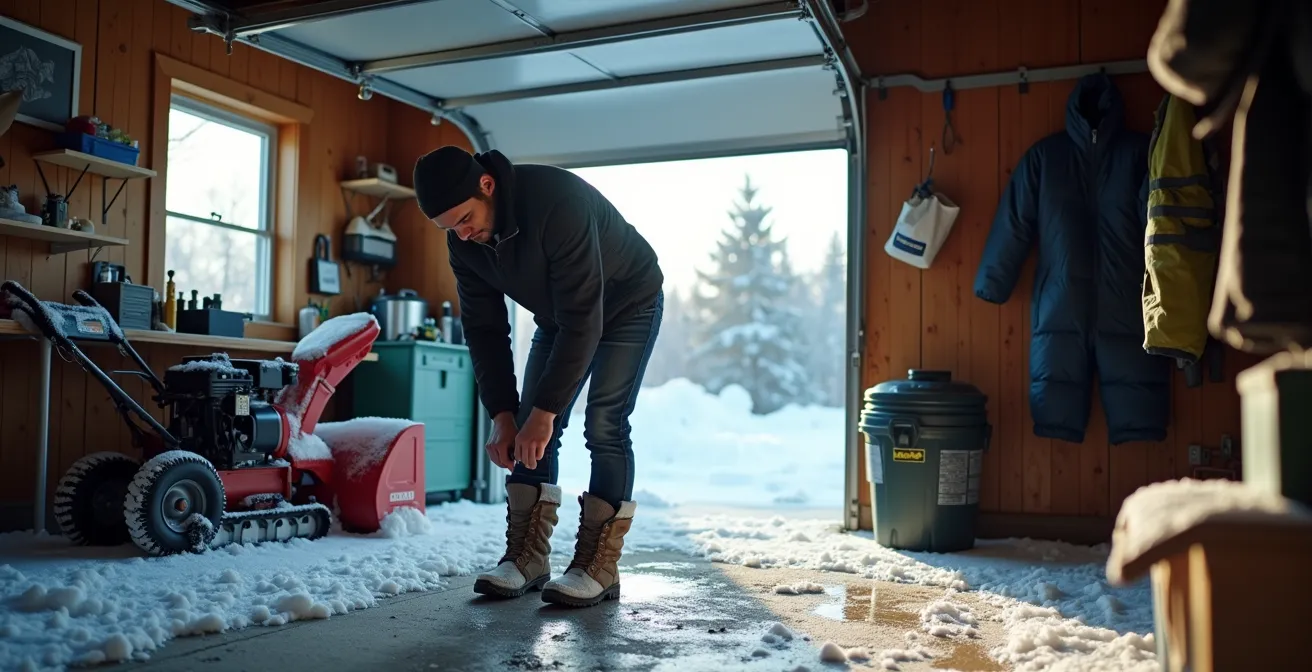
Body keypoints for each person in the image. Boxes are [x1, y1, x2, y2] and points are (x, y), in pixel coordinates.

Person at [412, 146, 664, 608]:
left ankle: (598, 567)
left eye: (465, 219)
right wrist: (504, 413)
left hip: (628, 303)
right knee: (527, 422)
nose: (463, 235)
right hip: (559, 314)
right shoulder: (464, 243)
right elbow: (485, 329)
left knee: (604, 424)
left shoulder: (555, 201)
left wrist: (546, 412)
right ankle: (526, 558)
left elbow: (585, 320)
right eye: (450, 228)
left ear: (486, 185)